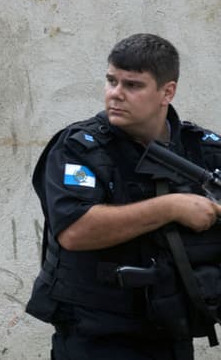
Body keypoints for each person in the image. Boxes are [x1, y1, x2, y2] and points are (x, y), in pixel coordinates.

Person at [26, 33, 221, 359]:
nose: (115, 94)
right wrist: (172, 206)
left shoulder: (202, 149)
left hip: (171, 332)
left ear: (167, 92)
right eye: (111, 81)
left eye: (132, 85)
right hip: (96, 337)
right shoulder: (80, 147)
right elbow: (75, 230)